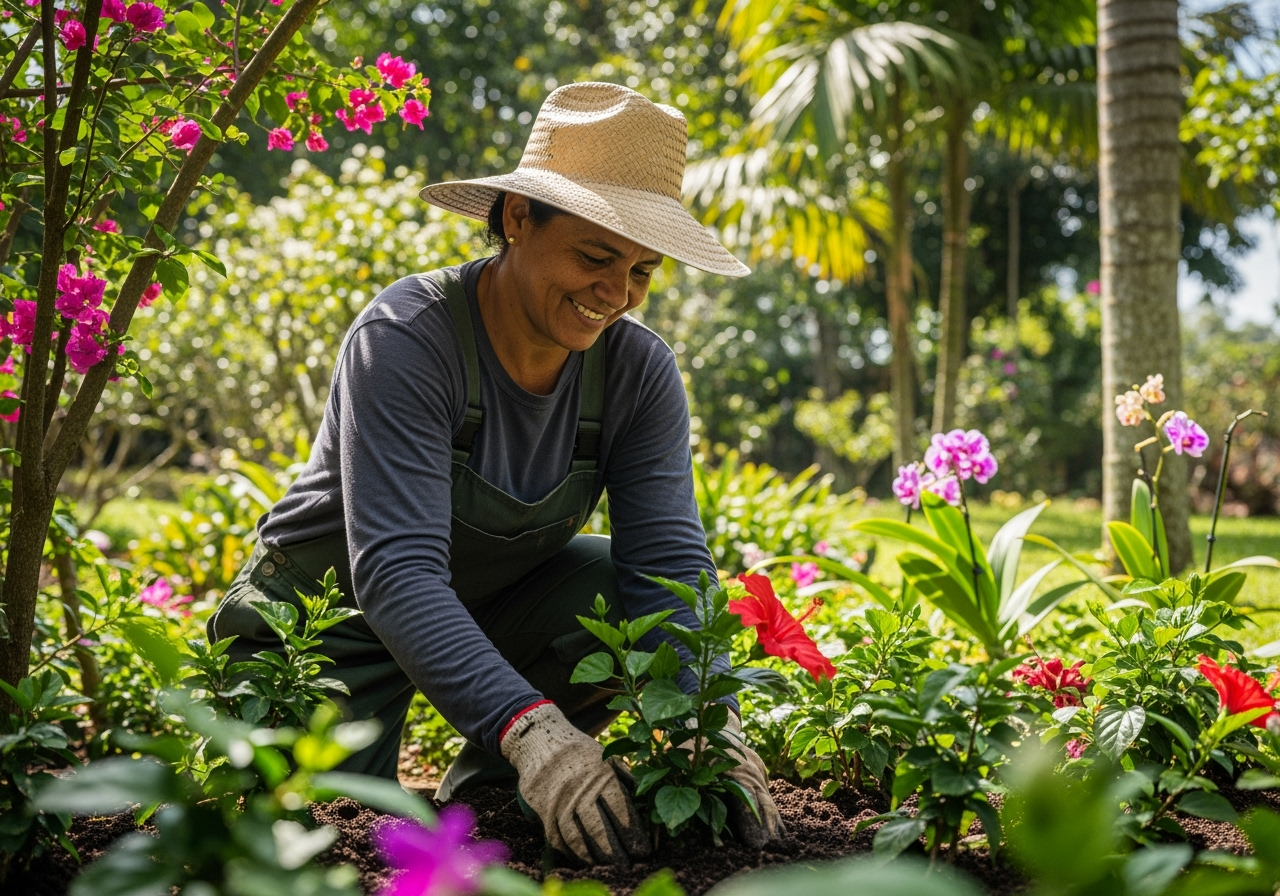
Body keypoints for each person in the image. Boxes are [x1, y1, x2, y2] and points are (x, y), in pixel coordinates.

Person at [208, 81, 783, 866]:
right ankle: (520, 759)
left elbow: (669, 564)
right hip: (322, 634)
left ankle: (493, 804)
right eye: (594, 257)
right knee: (324, 849)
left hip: (486, 616)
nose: (615, 295)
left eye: (642, 271)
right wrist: (536, 731)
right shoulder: (408, 340)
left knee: (613, 589)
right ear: (517, 220)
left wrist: (706, 720)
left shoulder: (638, 373)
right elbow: (399, 573)